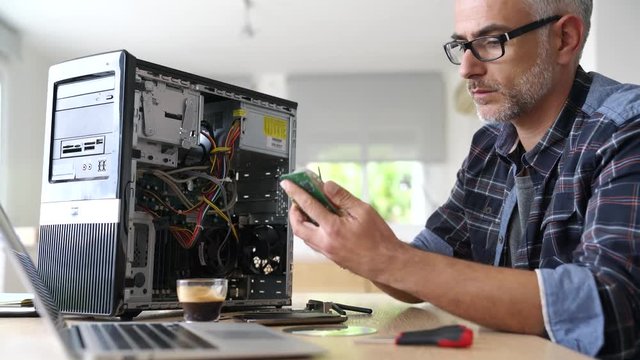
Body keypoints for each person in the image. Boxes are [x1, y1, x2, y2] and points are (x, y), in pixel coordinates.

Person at [280, 0, 640, 358]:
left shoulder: (626, 131)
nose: (467, 68)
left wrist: (387, 258)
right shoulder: (489, 147)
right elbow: (420, 268)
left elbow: (610, 304)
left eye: (492, 41)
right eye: (462, 45)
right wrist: (357, 248)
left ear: (564, 38)